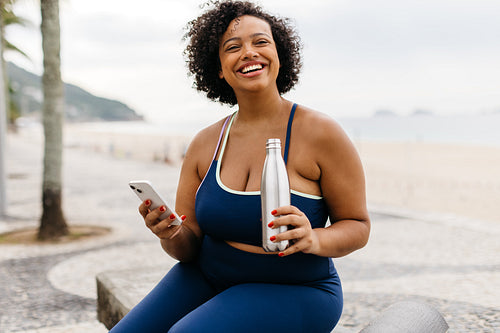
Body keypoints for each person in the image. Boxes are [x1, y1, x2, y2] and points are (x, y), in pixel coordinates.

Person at [110, 1, 370, 332]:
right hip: (208, 275)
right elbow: (188, 247)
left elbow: (357, 225)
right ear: (218, 68)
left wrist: (314, 239)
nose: (249, 52)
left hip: (298, 291)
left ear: (279, 54)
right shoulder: (206, 143)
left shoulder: (322, 133)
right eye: (233, 47)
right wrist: (170, 232)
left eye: (261, 42)